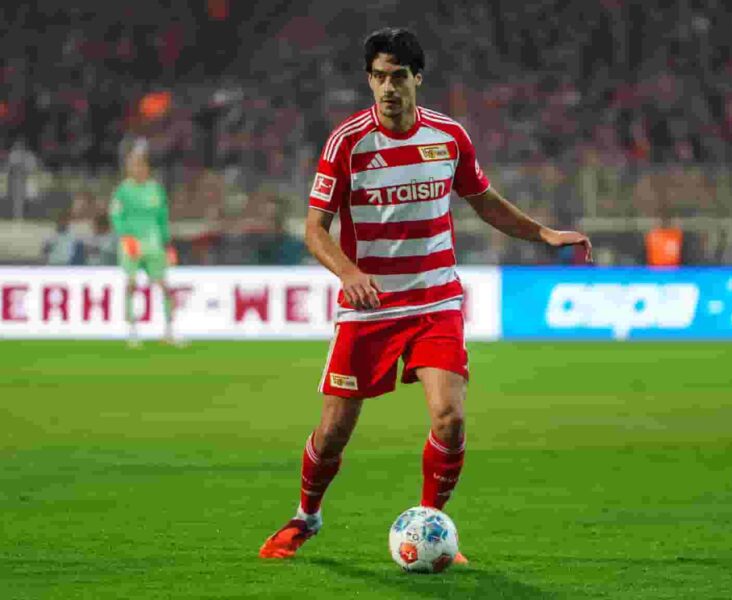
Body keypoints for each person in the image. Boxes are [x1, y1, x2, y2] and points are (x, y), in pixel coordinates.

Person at [258, 28, 592, 564]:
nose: (387, 88)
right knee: (333, 432)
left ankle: (432, 526)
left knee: (449, 418)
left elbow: (485, 201)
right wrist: (347, 274)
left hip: (436, 301)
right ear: (369, 80)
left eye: (397, 76)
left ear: (418, 77)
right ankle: (306, 516)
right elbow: (315, 230)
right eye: (378, 77)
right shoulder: (347, 143)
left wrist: (544, 234)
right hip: (368, 307)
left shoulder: (448, 137)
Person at [109, 147, 179, 347]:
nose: (136, 169)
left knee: (164, 285)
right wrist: (125, 236)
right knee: (131, 283)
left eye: (140, 165)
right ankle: (132, 331)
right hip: (132, 243)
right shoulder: (123, 190)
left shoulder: (155, 189)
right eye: (132, 166)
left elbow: (162, 217)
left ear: (146, 167)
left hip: (154, 243)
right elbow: (116, 215)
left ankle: (169, 331)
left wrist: (167, 243)